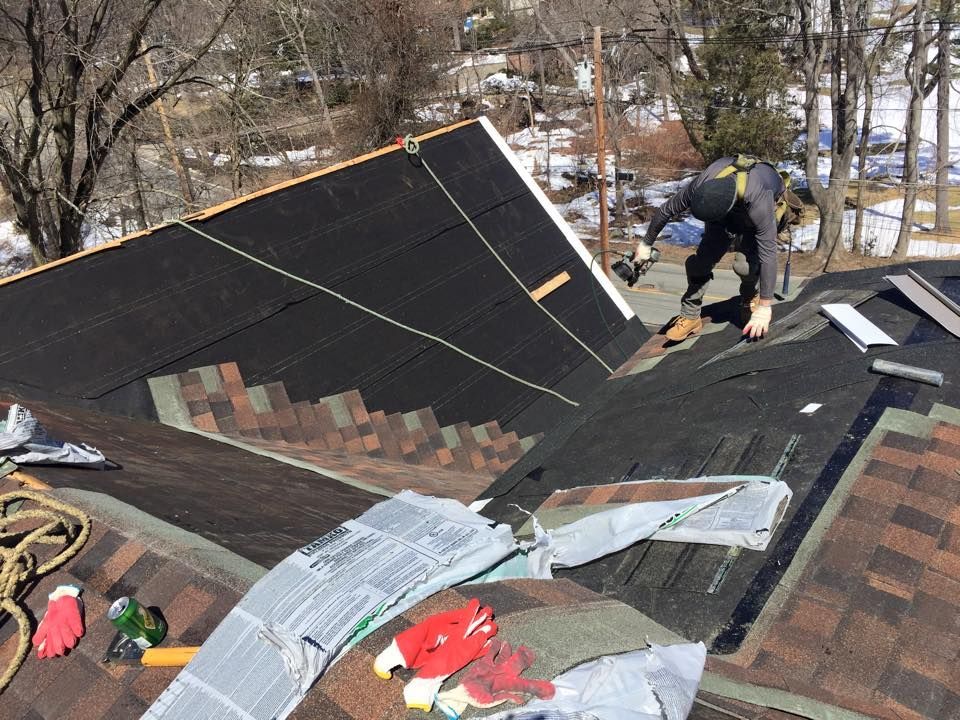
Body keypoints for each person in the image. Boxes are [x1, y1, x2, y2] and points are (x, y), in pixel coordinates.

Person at [636, 155, 787, 342]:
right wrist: (646, 244)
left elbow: (769, 254)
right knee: (699, 264)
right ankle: (690, 315)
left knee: (743, 266)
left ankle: (750, 297)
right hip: (724, 216)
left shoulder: (758, 199)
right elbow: (666, 210)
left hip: (753, 216)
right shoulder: (701, 185)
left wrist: (765, 306)